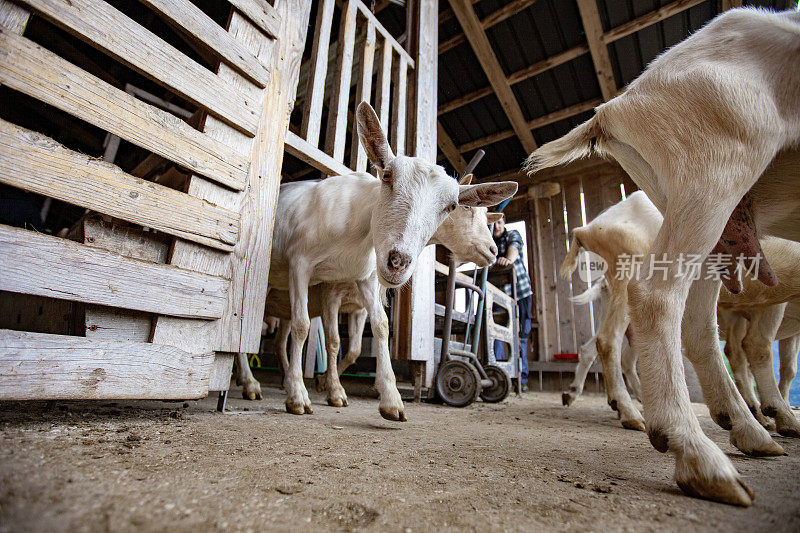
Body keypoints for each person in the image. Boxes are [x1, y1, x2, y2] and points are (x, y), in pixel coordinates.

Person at [492, 216, 532, 391]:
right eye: (493, 223)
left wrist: (508, 259)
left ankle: (521, 380)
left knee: (521, 335)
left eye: (499, 222)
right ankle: (502, 378)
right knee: (497, 333)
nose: (496, 226)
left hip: (520, 293)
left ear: (504, 224)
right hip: (498, 296)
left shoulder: (512, 235)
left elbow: (514, 249)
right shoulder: (489, 242)